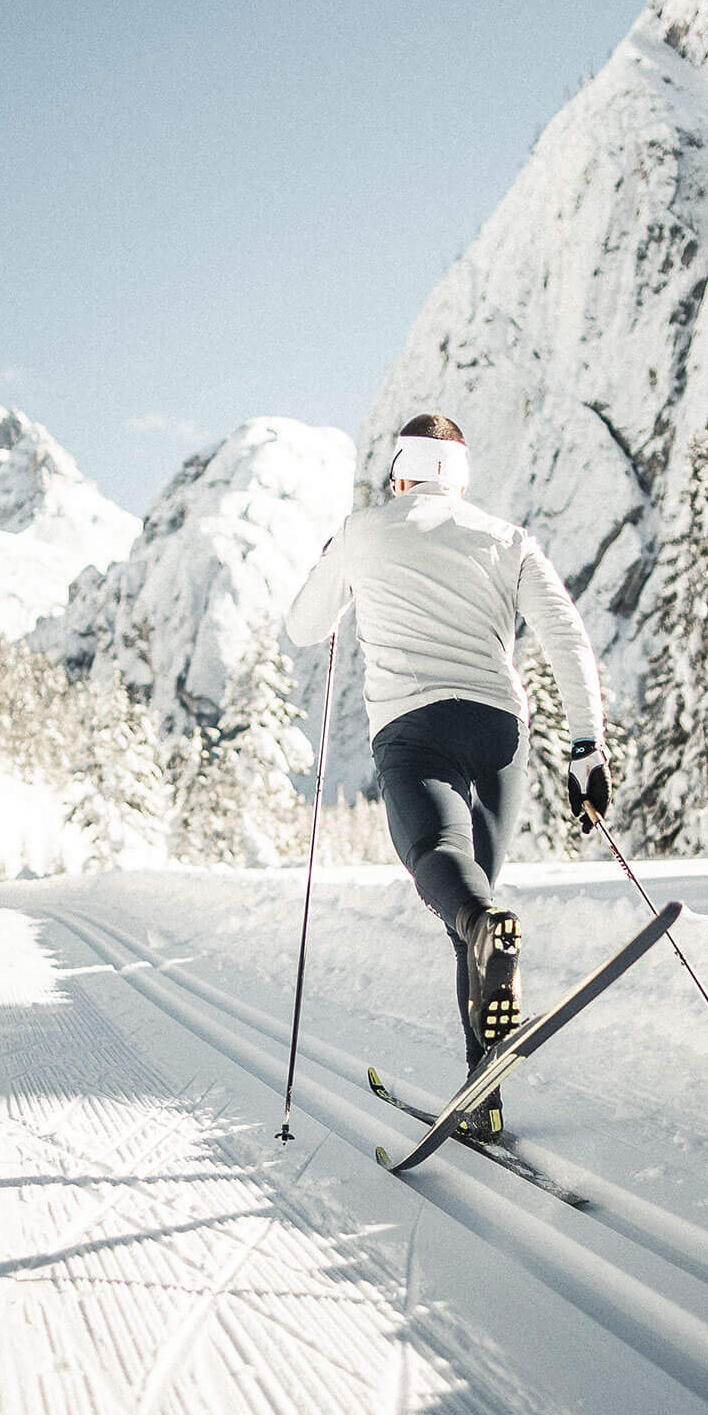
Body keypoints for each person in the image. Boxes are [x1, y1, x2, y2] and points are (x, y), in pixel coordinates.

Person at [286, 412, 611, 1141]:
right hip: (500, 731)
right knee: (477, 908)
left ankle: (483, 1063)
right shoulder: (506, 539)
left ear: (400, 471)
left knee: (446, 874)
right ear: (460, 476)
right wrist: (587, 745)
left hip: (415, 729)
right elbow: (565, 636)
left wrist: (335, 559)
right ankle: (482, 1090)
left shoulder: (365, 529)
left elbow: (305, 626)